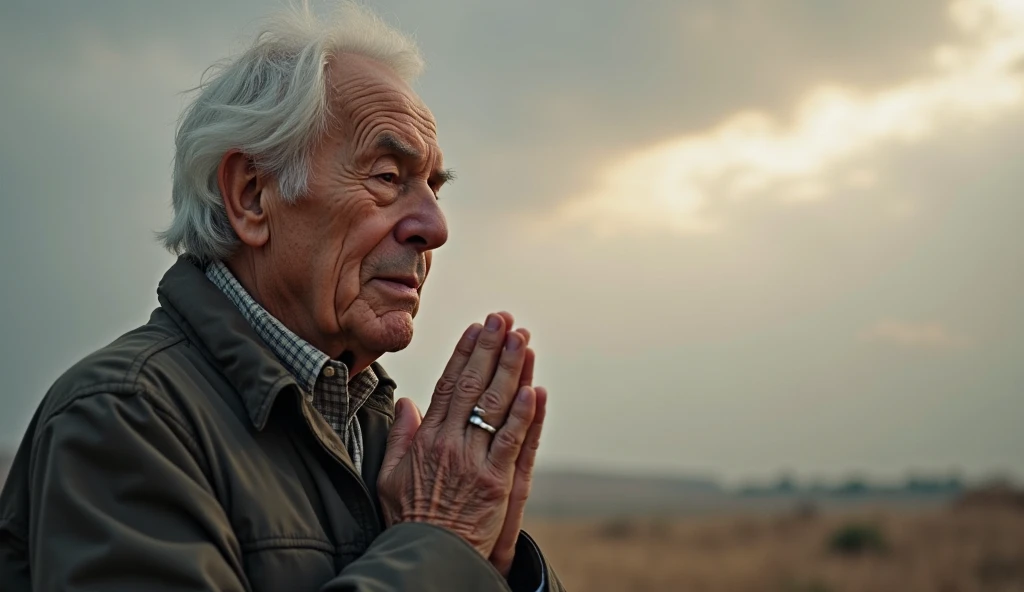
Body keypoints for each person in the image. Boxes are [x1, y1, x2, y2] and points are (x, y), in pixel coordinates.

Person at [0, 3, 564, 591]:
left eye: (433, 188)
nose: (435, 227)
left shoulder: (384, 434)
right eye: (387, 177)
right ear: (251, 196)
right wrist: (443, 547)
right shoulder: (124, 417)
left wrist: (503, 572)